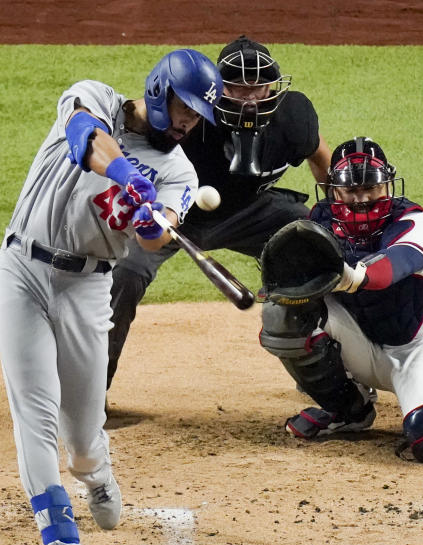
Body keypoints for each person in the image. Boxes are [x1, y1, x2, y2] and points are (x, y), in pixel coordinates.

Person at [0, 49, 222, 545]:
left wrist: (151, 220)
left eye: (198, 116)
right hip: (22, 269)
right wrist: (124, 176)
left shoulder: (179, 172)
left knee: (82, 436)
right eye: (184, 106)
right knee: (35, 414)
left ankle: (95, 472)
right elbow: (84, 139)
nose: (189, 122)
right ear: (159, 87)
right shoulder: (93, 95)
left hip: (88, 289)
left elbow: (157, 232)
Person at [106, 35, 332, 389]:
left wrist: (334, 217)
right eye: (238, 88)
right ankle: (90, 394)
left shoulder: (291, 119)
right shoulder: (188, 119)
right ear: (216, 90)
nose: (251, 99)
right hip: (176, 213)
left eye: (259, 87)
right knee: (126, 271)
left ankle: (325, 374)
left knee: (323, 251)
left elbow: (320, 157)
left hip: (253, 214)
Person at [259, 137, 423, 464]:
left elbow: (391, 267)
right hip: (364, 345)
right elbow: (294, 285)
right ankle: (348, 410)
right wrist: (283, 288)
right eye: (352, 191)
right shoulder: (321, 223)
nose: (363, 198)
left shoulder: (415, 224)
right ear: (334, 191)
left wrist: (352, 276)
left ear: (388, 186)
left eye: (371, 188)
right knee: (283, 314)